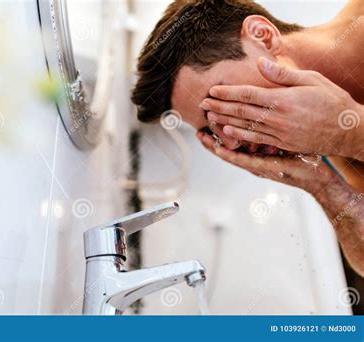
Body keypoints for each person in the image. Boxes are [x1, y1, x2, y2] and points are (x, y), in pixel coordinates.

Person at [131, 0, 364, 276]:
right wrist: (322, 184)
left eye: (221, 103)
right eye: (211, 130)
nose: (231, 138)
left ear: (262, 36)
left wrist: (348, 134)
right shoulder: (337, 148)